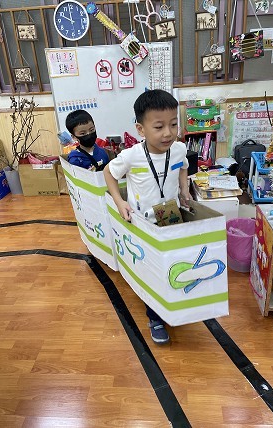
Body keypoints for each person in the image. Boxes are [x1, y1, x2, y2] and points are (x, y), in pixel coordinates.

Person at [103, 89, 192, 344]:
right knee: (151, 271)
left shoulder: (179, 149)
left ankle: (173, 303)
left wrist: (184, 189)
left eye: (173, 124)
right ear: (141, 129)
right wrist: (119, 201)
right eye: (159, 127)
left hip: (170, 214)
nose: (168, 133)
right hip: (142, 222)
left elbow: (183, 167)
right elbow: (109, 173)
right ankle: (155, 318)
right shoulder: (132, 155)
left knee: (172, 262)